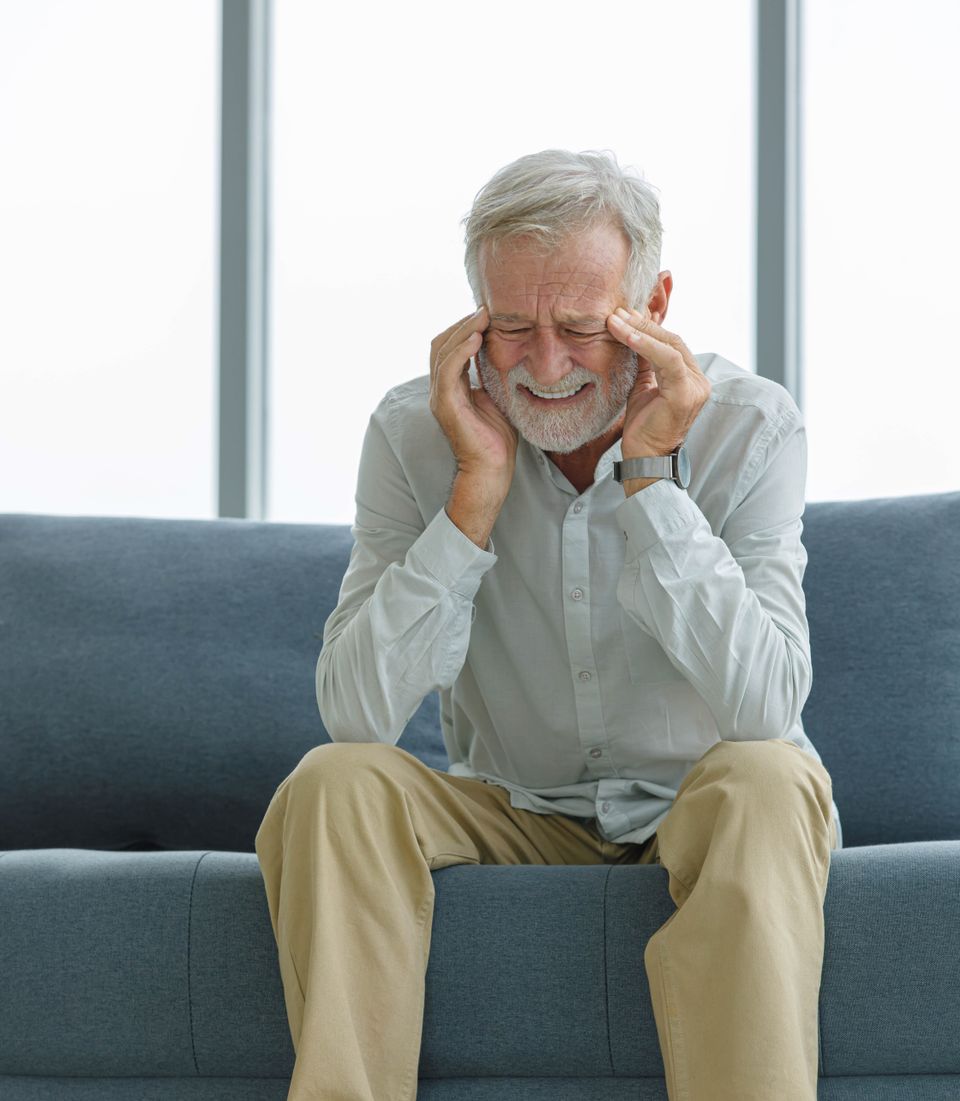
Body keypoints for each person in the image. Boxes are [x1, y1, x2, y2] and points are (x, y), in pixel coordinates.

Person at [255, 148, 842, 1101]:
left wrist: (650, 479)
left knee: (769, 776)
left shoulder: (752, 426)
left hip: (709, 805)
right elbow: (355, 715)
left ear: (653, 306)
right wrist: (472, 496)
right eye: (511, 328)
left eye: (579, 328)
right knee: (334, 782)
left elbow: (766, 706)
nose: (545, 364)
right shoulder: (414, 433)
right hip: (516, 804)